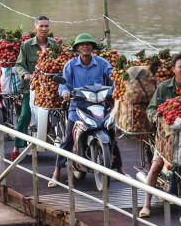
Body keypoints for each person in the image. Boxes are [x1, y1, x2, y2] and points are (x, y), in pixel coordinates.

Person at [50, 33, 126, 187]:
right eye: (82, 45)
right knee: (68, 140)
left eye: (88, 44)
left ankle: (120, 169)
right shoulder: (70, 65)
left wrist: (118, 88)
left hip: (99, 107)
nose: (86, 47)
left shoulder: (102, 63)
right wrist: (64, 92)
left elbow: (113, 78)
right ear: (77, 48)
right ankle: (56, 172)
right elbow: (63, 84)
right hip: (77, 108)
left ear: (92, 47)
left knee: (111, 134)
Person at [138, 52, 181, 218]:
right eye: (180, 67)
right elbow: (152, 109)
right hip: (167, 138)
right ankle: (146, 205)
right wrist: (158, 118)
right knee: (156, 167)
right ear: (173, 69)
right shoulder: (164, 87)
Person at [9, 16, 57, 160]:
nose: (44, 29)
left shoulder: (54, 45)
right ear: (35, 27)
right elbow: (19, 65)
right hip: (32, 88)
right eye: (41, 26)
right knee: (25, 115)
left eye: (46, 26)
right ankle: (16, 148)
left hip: (51, 88)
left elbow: (62, 62)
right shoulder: (27, 45)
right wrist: (26, 75)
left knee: (62, 113)